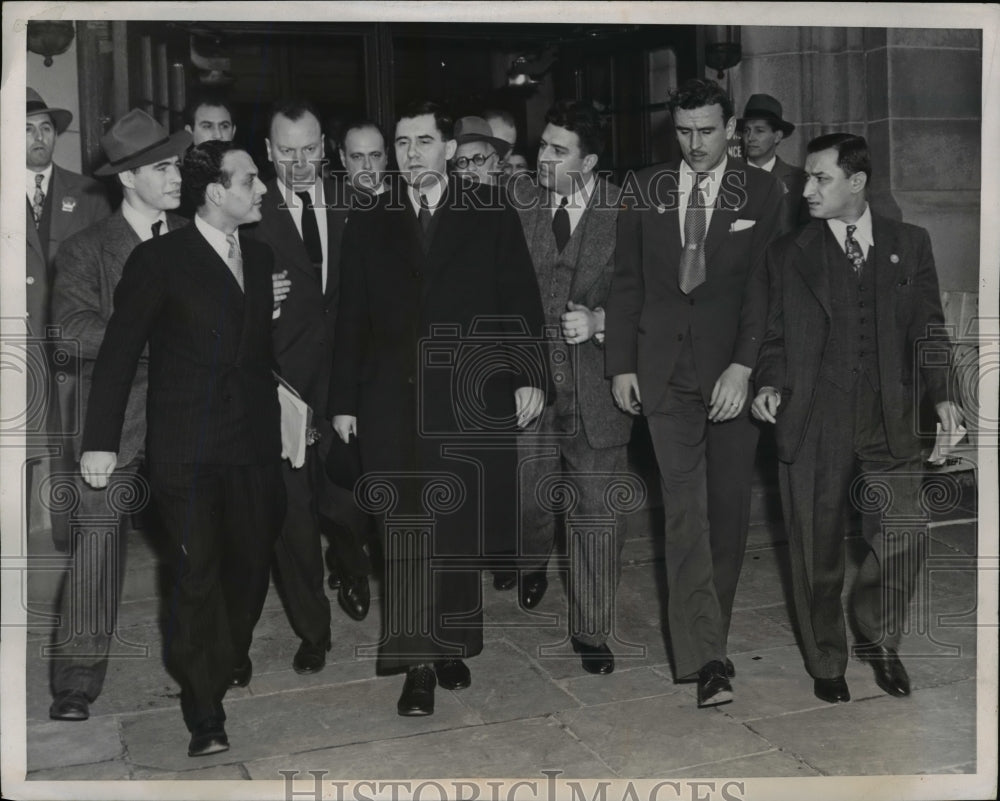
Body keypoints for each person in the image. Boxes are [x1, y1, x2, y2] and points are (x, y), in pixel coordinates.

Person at [330, 100, 546, 717]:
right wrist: (343, 401)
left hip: (468, 395)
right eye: (402, 144)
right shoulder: (369, 218)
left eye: (424, 141)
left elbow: (519, 299)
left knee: (454, 529)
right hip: (388, 399)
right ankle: (417, 663)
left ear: (449, 149)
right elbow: (351, 317)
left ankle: (452, 643)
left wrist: (530, 374)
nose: (412, 153)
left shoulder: (490, 211)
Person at [80, 140, 285, 757]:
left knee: (250, 569)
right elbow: (117, 353)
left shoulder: (260, 253)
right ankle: (205, 713)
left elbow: (256, 359)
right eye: (251, 181)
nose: (263, 190)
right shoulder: (159, 260)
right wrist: (100, 443)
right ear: (217, 193)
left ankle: (223, 656)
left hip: (253, 444)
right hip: (187, 450)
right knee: (196, 574)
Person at [751, 133, 962, 704]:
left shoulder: (909, 244)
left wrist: (944, 395)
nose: (807, 189)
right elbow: (771, 337)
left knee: (903, 533)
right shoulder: (787, 253)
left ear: (857, 183)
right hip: (814, 413)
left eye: (820, 179)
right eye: (807, 178)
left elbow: (929, 328)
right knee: (814, 546)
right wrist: (768, 383)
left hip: (889, 412)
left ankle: (878, 634)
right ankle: (826, 658)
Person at [605, 78, 783, 707]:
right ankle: (707, 658)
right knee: (684, 513)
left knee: (726, 515)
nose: (695, 143)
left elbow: (765, 291)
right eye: (684, 131)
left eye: (708, 130)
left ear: (732, 129)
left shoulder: (764, 190)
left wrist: (743, 366)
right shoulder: (645, 187)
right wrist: (620, 364)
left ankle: (715, 631)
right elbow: (626, 284)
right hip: (663, 373)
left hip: (732, 376)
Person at [47, 110, 191, 722]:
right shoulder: (87, 249)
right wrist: (156, 332)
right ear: (129, 179)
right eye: (164, 167)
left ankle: (205, 663)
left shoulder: (199, 235)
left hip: (193, 414)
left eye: (178, 163)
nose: (179, 175)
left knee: (197, 546)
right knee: (98, 546)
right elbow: (69, 333)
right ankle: (77, 680)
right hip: (116, 421)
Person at [250, 101, 373, 681]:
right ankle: (312, 630)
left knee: (346, 499)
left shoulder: (355, 202)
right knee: (291, 514)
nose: (299, 162)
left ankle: (350, 563)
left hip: (345, 379)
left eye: (309, 149)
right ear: (268, 150)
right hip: (279, 383)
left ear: (324, 147)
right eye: (286, 150)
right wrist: (256, 301)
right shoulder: (249, 210)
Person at [514, 100, 632, 674]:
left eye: (558, 151)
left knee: (595, 510)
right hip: (532, 386)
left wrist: (603, 321)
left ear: (588, 161)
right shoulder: (520, 204)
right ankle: (531, 560)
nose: (543, 158)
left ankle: (592, 629)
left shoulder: (624, 211)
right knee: (530, 497)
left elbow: (653, 294)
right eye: (542, 146)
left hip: (597, 387)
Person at [25, 87, 111, 549]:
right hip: (17, 341)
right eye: (26, 130)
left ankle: (72, 539)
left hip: (72, 341)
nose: (39, 138)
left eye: (45, 128)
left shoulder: (90, 193)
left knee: (72, 438)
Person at [740, 93, 809, 234]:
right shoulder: (728, 176)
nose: (750, 137)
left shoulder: (799, 180)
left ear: (777, 136)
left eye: (759, 131)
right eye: (746, 130)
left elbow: (806, 232)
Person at [451, 115, 510, 186]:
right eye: (462, 162)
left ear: (495, 161)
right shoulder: (450, 195)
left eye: (478, 159)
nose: (471, 168)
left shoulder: (517, 193)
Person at [338, 119, 390, 197]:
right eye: (357, 157)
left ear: (386, 156)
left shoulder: (405, 202)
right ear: (343, 158)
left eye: (375, 156)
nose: (367, 166)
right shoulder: (327, 206)